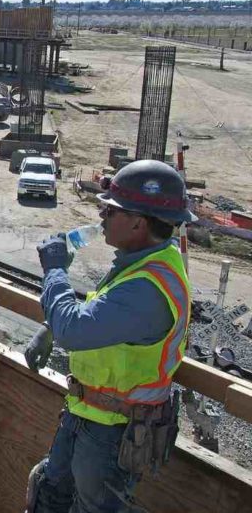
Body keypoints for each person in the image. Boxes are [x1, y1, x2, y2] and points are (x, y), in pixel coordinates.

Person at [24, 159, 195, 513]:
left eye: (111, 210)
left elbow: (76, 328)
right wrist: (49, 328)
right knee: (50, 491)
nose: (101, 215)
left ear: (138, 221)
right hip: (89, 413)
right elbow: (101, 313)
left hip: (113, 432)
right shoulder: (140, 263)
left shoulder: (150, 287)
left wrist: (55, 272)